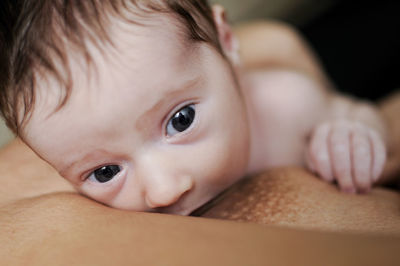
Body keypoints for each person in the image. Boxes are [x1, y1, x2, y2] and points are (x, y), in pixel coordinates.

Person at [0, 0, 390, 215]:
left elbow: (365, 118)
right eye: (105, 171)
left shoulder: (288, 103)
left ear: (225, 40)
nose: (163, 190)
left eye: (181, 120)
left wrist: (351, 133)